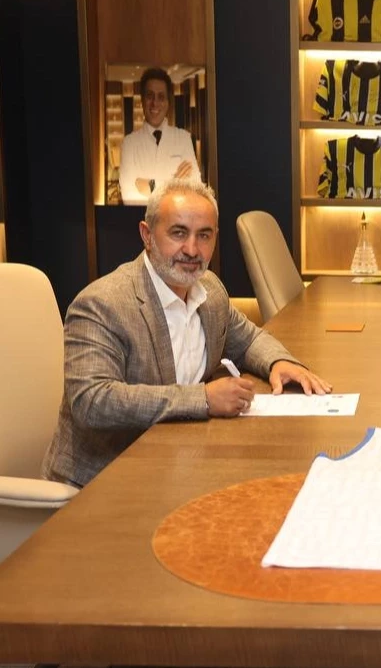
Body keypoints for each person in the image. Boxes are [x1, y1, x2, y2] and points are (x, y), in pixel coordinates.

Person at [42, 179, 331, 487]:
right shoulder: (102, 304)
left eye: (204, 235)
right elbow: (93, 401)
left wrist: (278, 362)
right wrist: (202, 399)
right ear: (147, 235)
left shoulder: (210, 290)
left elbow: (248, 339)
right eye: (178, 233)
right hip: (104, 481)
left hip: (179, 461)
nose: (192, 250)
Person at [118, 67, 200, 205]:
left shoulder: (183, 138)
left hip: (176, 219)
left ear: (168, 102)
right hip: (141, 218)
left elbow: (195, 188)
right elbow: (128, 196)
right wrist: (175, 183)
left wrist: (151, 186)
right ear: (142, 100)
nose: (155, 103)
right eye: (150, 96)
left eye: (161, 97)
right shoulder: (129, 143)